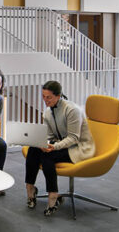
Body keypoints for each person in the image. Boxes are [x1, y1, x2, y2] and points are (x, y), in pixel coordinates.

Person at [24, 80, 94, 217]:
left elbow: (74, 138)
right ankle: (30, 188)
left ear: (58, 96)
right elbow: (50, 135)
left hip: (79, 147)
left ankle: (53, 195)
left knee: (47, 156)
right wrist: (45, 143)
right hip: (62, 144)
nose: (45, 100)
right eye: (43, 96)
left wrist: (54, 147)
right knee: (34, 148)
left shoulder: (72, 110)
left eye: (48, 97)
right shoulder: (47, 113)